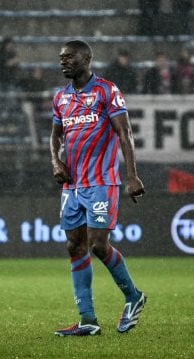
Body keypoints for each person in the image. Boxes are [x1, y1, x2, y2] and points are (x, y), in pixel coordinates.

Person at [50, 40, 146, 336]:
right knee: (74, 246)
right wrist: (56, 162)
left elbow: (125, 132)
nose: (64, 62)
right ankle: (88, 319)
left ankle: (133, 296)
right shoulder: (61, 98)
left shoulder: (106, 91)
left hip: (102, 182)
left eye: (69, 57)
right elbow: (55, 136)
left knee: (97, 245)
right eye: (61, 58)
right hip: (72, 185)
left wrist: (132, 175)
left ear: (87, 58)